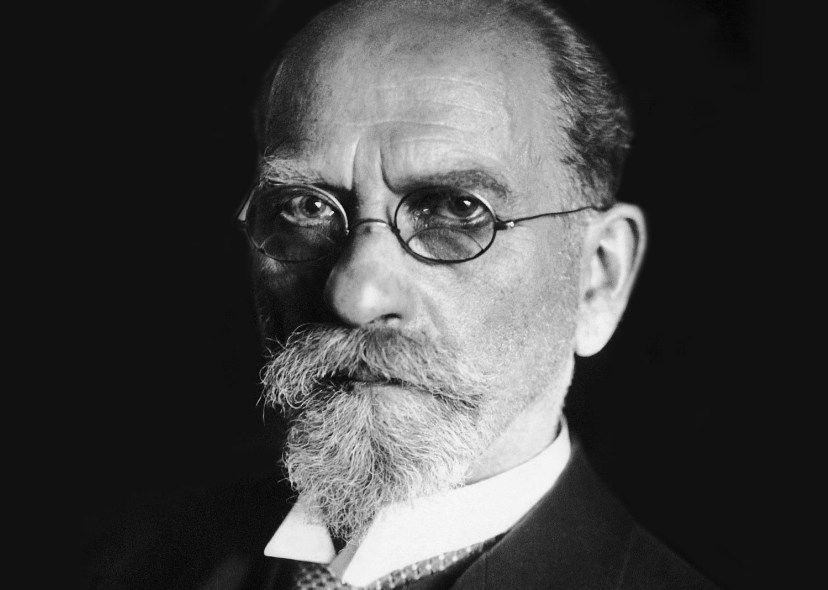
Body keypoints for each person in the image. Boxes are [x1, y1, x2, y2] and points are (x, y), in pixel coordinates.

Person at [220, 0, 721, 588]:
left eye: (457, 211)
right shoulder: (152, 553)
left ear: (597, 277)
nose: (356, 296)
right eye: (305, 208)